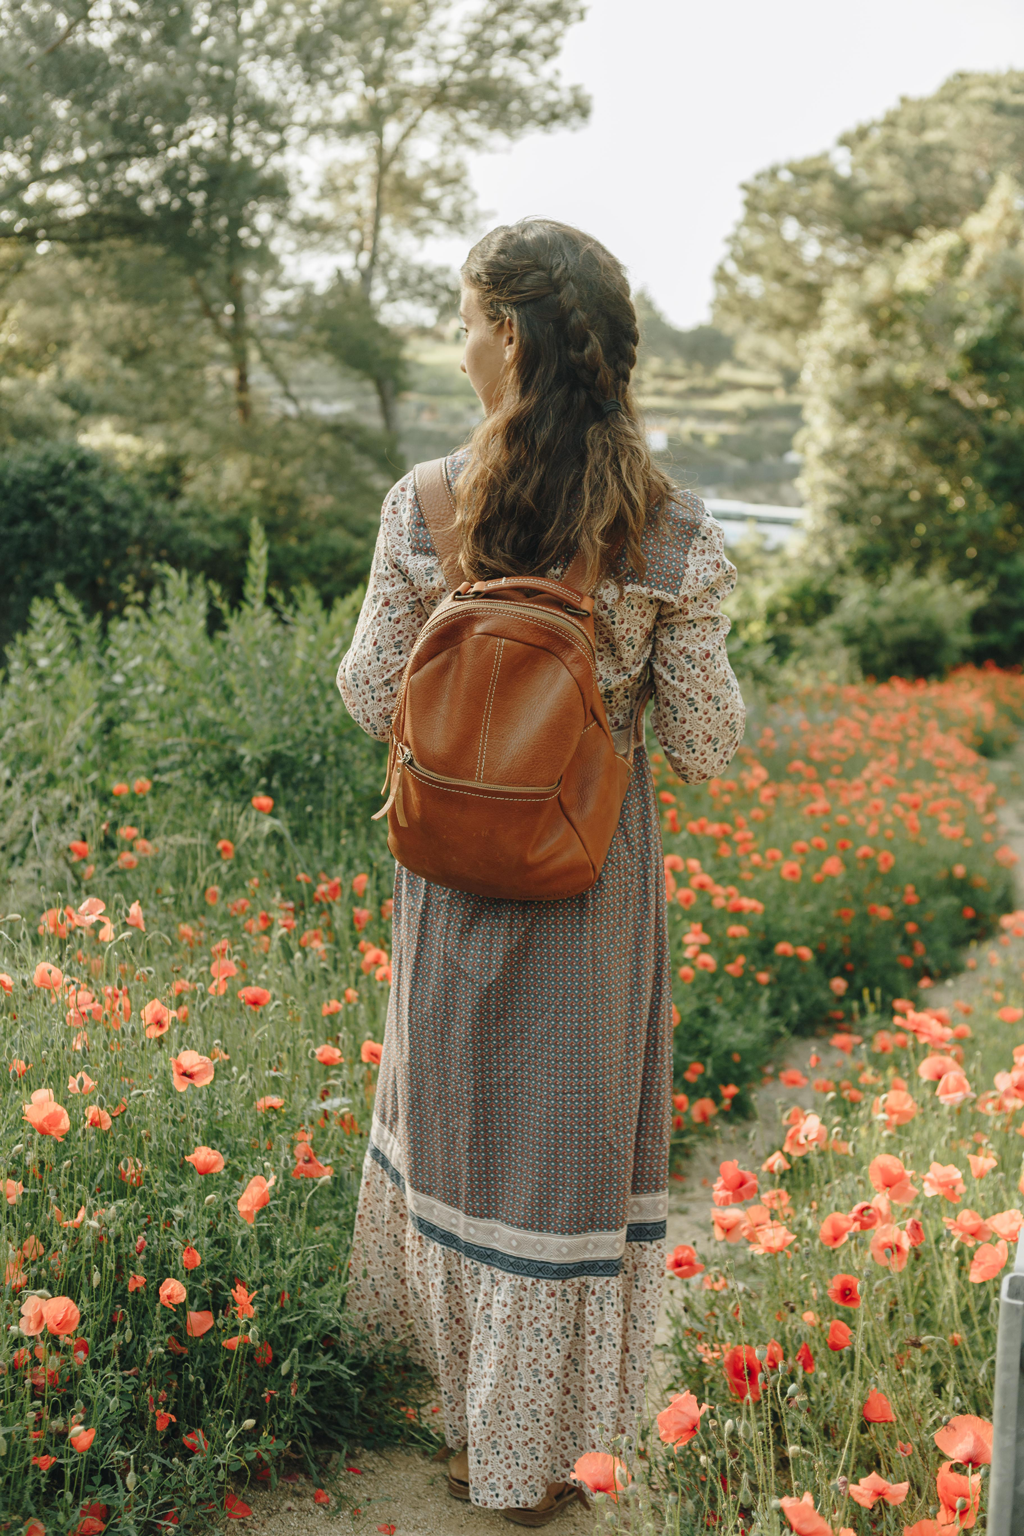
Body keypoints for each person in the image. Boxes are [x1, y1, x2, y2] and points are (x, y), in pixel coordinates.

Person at [337, 217, 745, 1524]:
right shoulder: (671, 529)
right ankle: (539, 1458)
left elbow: (362, 696)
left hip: (456, 875)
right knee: (558, 1170)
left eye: (466, 320)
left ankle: (470, 1432)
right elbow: (709, 746)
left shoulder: (430, 503)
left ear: (507, 335)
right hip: (588, 890)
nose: (461, 346)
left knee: (457, 1149)